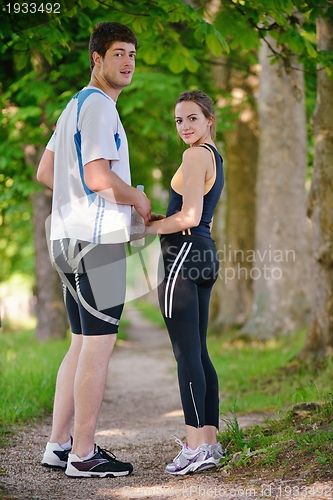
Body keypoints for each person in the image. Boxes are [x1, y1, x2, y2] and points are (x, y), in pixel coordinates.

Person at [36, 21, 151, 478]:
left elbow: (48, 171)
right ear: (96, 59)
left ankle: (58, 445)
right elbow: (100, 178)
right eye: (118, 53)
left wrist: (85, 196)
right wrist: (138, 199)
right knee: (99, 347)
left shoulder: (72, 108)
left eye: (132, 55)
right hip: (98, 243)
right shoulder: (100, 107)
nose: (127, 62)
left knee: (81, 343)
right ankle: (83, 455)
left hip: (66, 237)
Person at [146, 90, 225, 475]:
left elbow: (189, 215)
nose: (184, 127)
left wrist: (145, 231)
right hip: (205, 253)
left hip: (182, 255)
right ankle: (209, 442)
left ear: (209, 119)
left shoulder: (194, 155)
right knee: (199, 352)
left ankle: (195, 448)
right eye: (179, 120)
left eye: (192, 118)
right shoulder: (214, 156)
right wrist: (163, 218)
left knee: (186, 354)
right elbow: (196, 212)